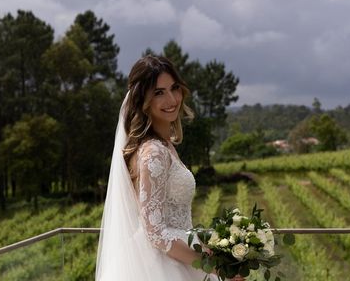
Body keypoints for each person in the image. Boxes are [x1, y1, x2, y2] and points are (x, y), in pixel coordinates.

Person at [96, 55, 244, 280]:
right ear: (142, 100)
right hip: (163, 266)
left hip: (180, 253)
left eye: (174, 88)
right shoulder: (153, 152)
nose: (172, 99)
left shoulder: (164, 146)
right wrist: (214, 266)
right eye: (158, 92)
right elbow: (156, 233)